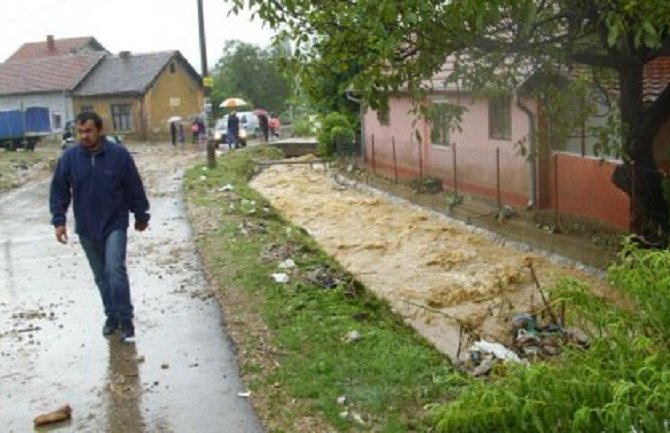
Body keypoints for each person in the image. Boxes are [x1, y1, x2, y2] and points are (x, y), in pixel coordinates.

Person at [49, 111, 150, 343]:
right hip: (86, 226)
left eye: (88, 131)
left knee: (115, 271)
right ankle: (111, 317)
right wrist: (59, 220)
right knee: (101, 277)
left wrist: (141, 213)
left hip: (114, 222)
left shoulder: (119, 156)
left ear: (99, 130)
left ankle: (126, 320)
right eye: (80, 131)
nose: (84, 136)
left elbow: (133, 185)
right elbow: (59, 190)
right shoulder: (70, 158)